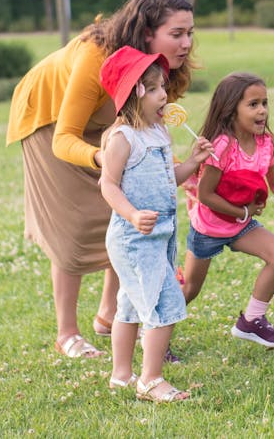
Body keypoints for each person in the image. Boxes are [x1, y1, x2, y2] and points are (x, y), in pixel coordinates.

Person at [6, 0, 196, 359]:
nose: (187, 43)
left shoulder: (160, 68)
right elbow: (65, 139)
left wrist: (175, 167)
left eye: (190, 33)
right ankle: (67, 333)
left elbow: (151, 128)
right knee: (73, 224)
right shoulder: (97, 58)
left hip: (110, 123)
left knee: (128, 209)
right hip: (50, 118)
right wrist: (105, 159)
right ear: (146, 33)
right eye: (177, 34)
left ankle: (110, 314)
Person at [98, 46, 213, 402]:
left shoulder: (159, 132)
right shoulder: (123, 138)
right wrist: (132, 214)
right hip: (133, 238)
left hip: (160, 236)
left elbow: (167, 178)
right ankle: (150, 380)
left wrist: (193, 162)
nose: (165, 94)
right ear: (137, 92)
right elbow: (108, 184)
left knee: (130, 305)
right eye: (157, 88)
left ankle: (121, 375)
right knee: (164, 303)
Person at [180, 72, 274, 348]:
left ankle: (252, 320)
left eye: (264, 102)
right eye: (253, 104)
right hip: (209, 226)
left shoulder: (266, 143)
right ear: (231, 110)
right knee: (190, 288)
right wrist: (244, 213)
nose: (262, 110)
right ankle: (153, 329)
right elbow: (205, 194)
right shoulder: (222, 146)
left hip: (240, 223)